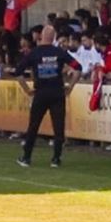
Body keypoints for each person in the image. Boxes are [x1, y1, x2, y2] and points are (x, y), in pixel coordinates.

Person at [14, 25, 81, 168]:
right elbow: (78, 67)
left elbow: (18, 72)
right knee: (58, 126)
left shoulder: (34, 53)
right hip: (57, 93)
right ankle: (56, 158)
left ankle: (26, 157)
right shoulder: (59, 52)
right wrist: (70, 86)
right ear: (54, 37)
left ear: (41, 37)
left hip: (41, 93)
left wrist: (27, 89)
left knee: (33, 125)